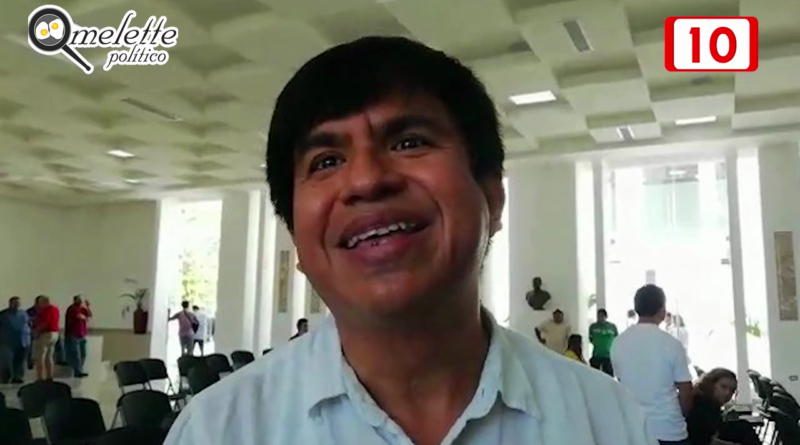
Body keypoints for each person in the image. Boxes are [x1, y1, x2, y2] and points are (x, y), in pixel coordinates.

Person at [165, 36, 655, 445]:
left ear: (492, 197)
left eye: (410, 142)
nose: (366, 181)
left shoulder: (607, 421)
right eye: (326, 161)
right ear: (296, 237)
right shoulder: (219, 430)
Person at [612, 284, 694, 445]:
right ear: (662, 311)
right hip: (669, 429)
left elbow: (621, 383)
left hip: (633, 429)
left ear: (637, 309)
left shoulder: (618, 342)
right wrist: (682, 414)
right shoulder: (671, 344)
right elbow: (685, 390)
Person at [687, 368, 760, 445]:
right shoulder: (703, 404)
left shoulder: (706, 399)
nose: (727, 393)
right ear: (711, 384)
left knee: (743, 426)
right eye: (723, 387)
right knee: (744, 429)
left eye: (732, 390)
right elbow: (703, 439)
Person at [0, 297, 31, 384]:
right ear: (10, 304)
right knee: (6, 362)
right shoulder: (3, 315)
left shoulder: (24, 314)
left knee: (20, 361)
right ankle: (5, 378)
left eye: (18, 303)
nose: (17, 305)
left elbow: (29, 324)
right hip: (7, 342)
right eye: (15, 303)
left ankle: (18, 377)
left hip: (22, 341)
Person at [32, 296, 60, 381]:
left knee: (40, 356)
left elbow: (45, 322)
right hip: (55, 334)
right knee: (49, 356)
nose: (39, 305)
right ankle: (49, 376)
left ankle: (39, 377)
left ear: (44, 302)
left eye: (40, 303)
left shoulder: (46, 310)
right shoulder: (55, 309)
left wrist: (36, 331)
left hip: (46, 334)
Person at [64, 295, 92, 377]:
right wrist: (83, 317)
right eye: (78, 300)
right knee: (76, 354)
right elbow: (78, 316)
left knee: (83, 353)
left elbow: (89, 315)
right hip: (74, 334)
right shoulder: (72, 309)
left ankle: (80, 368)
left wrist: (88, 306)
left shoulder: (83, 309)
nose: (80, 301)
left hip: (82, 334)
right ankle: (77, 371)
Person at [589, 308, 618, 376]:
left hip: (608, 356)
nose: (599, 318)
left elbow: (616, 339)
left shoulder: (612, 327)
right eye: (598, 316)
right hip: (596, 355)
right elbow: (591, 339)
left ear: (606, 316)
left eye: (601, 316)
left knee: (608, 376)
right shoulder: (593, 327)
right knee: (594, 375)